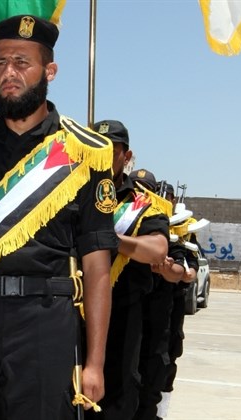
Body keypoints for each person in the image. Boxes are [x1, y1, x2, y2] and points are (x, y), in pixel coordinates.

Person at [0, 16, 117, 419]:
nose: (8, 73)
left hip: (46, 321)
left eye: (21, 62)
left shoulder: (82, 152)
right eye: (0, 62)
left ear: (50, 71)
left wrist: (96, 362)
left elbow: (97, 265)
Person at [87, 122, 169, 420]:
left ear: (127, 156)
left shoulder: (142, 204)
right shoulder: (70, 196)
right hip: (71, 311)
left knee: (118, 395)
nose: (102, 157)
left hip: (122, 313)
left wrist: (114, 240)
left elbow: (157, 249)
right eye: (95, 149)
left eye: (111, 150)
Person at [131, 175, 186, 420]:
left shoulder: (168, 229)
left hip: (157, 322)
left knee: (153, 381)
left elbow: (183, 271)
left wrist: (167, 268)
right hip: (126, 319)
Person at [157, 185, 199, 419]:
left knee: (169, 353)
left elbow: (192, 259)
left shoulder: (183, 225)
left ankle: (162, 410)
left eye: (168, 197)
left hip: (174, 297)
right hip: (149, 295)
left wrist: (189, 272)